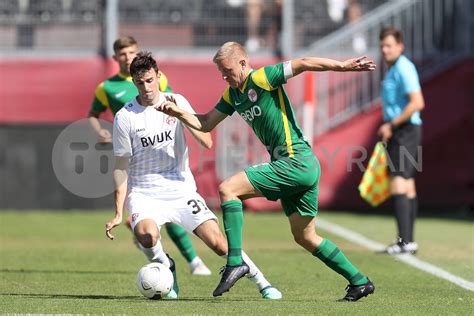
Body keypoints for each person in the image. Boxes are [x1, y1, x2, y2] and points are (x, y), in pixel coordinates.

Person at [157, 41, 376, 302]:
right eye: (220, 73)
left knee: (228, 189)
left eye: (227, 70)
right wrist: (178, 111)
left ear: (243, 62)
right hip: (300, 166)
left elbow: (303, 63)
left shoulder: (261, 78)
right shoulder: (232, 95)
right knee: (305, 237)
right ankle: (359, 281)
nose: (225, 77)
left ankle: (236, 261)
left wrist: (342, 66)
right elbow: (205, 124)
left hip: (295, 161)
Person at [105, 51, 282, 300]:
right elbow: (121, 166)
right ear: (133, 82)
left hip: (180, 190)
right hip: (144, 193)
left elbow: (207, 141)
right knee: (146, 234)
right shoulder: (125, 117)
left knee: (218, 243)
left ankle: (263, 283)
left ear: (158, 77)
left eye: (150, 80)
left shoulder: (176, 101)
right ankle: (166, 267)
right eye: (140, 82)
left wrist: (179, 115)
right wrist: (117, 211)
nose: (146, 87)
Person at [89, 36, 211, 276]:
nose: (128, 57)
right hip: (132, 154)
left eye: (132, 52)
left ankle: (193, 261)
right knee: (150, 223)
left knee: (170, 213)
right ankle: (168, 257)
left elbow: (168, 107)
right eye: (123, 54)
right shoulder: (106, 88)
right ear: (115, 58)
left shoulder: (156, 78)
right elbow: (93, 115)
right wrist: (101, 132)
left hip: (158, 152)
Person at [377, 27, 425, 254]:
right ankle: (409, 241)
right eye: (382, 46)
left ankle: (404, 241)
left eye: (389, 45)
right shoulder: (395, 68)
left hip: (405, 130)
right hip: (406, 130)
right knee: (407, 183)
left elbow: (417, 102)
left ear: (400, 47)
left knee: (398, 180)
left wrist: (391, 125)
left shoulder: (404, 68)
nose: (385, 50)